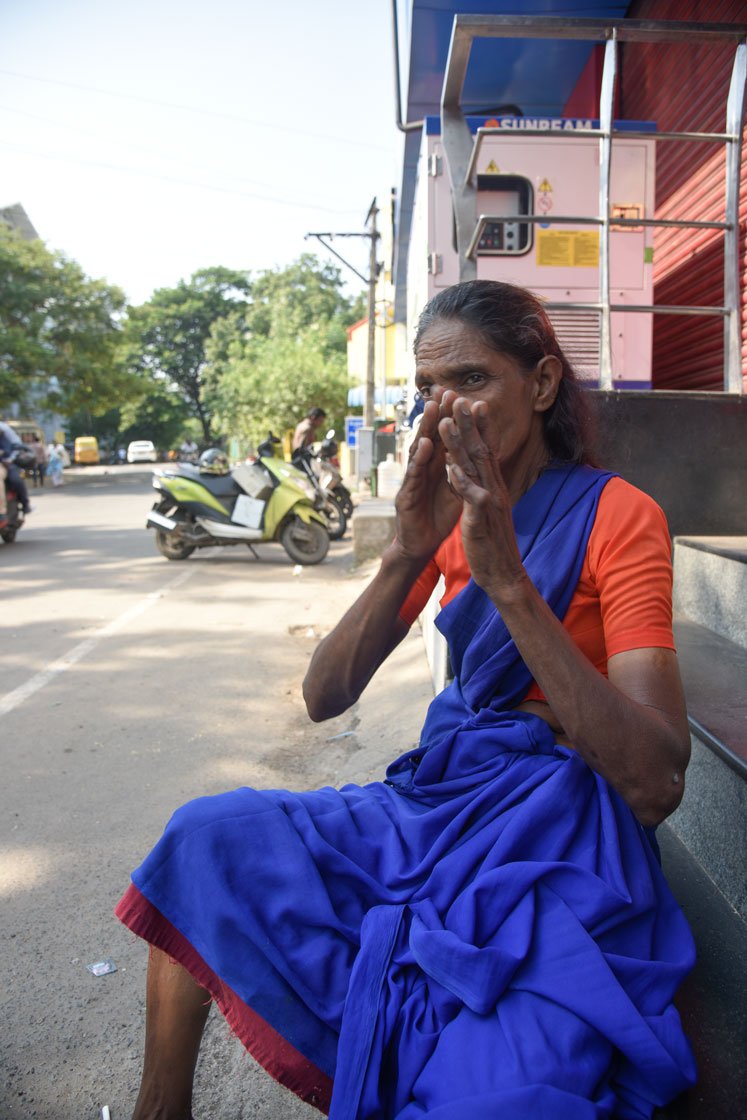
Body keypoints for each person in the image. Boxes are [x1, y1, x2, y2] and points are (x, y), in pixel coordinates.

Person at [115, 280, 696, 1119]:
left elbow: (654, 782)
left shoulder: (618, 515)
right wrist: (404, 552)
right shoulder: (450, 517)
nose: (440, 409)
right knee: (206, 839)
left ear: (538, 385)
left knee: (495, 1092)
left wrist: (505, 581)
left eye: (468, 380)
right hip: (437, 800)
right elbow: (324, 696)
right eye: (426, 390)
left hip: (557, 832)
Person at [0, 421, 32, 515]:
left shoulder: (4, 429)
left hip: (5, 462)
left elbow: (16, 446)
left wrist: (10, 459)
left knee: (16, 479)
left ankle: (24, 503)